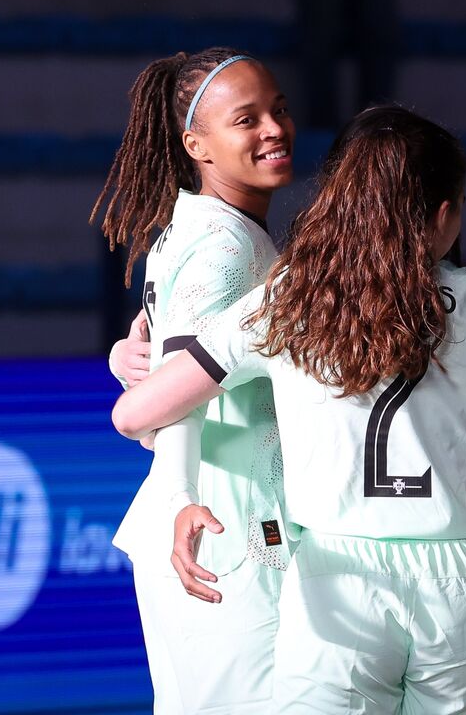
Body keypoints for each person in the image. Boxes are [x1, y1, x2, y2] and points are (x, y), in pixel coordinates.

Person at [112, 105, 466, 713]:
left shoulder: (288, 300)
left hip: (334, 582)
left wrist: (128, 356)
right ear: (443, 214)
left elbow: (133, 415)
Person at [91, 47, 295, 713]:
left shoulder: (195, 229)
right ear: (195, 146)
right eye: (247, 119)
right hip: (223, 531)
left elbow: (166, 357)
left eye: (278, 109)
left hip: (201, 525)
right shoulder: (224, 248)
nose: (274, 129)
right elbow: (182, 391)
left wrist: (126, 356)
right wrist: (182, 495)